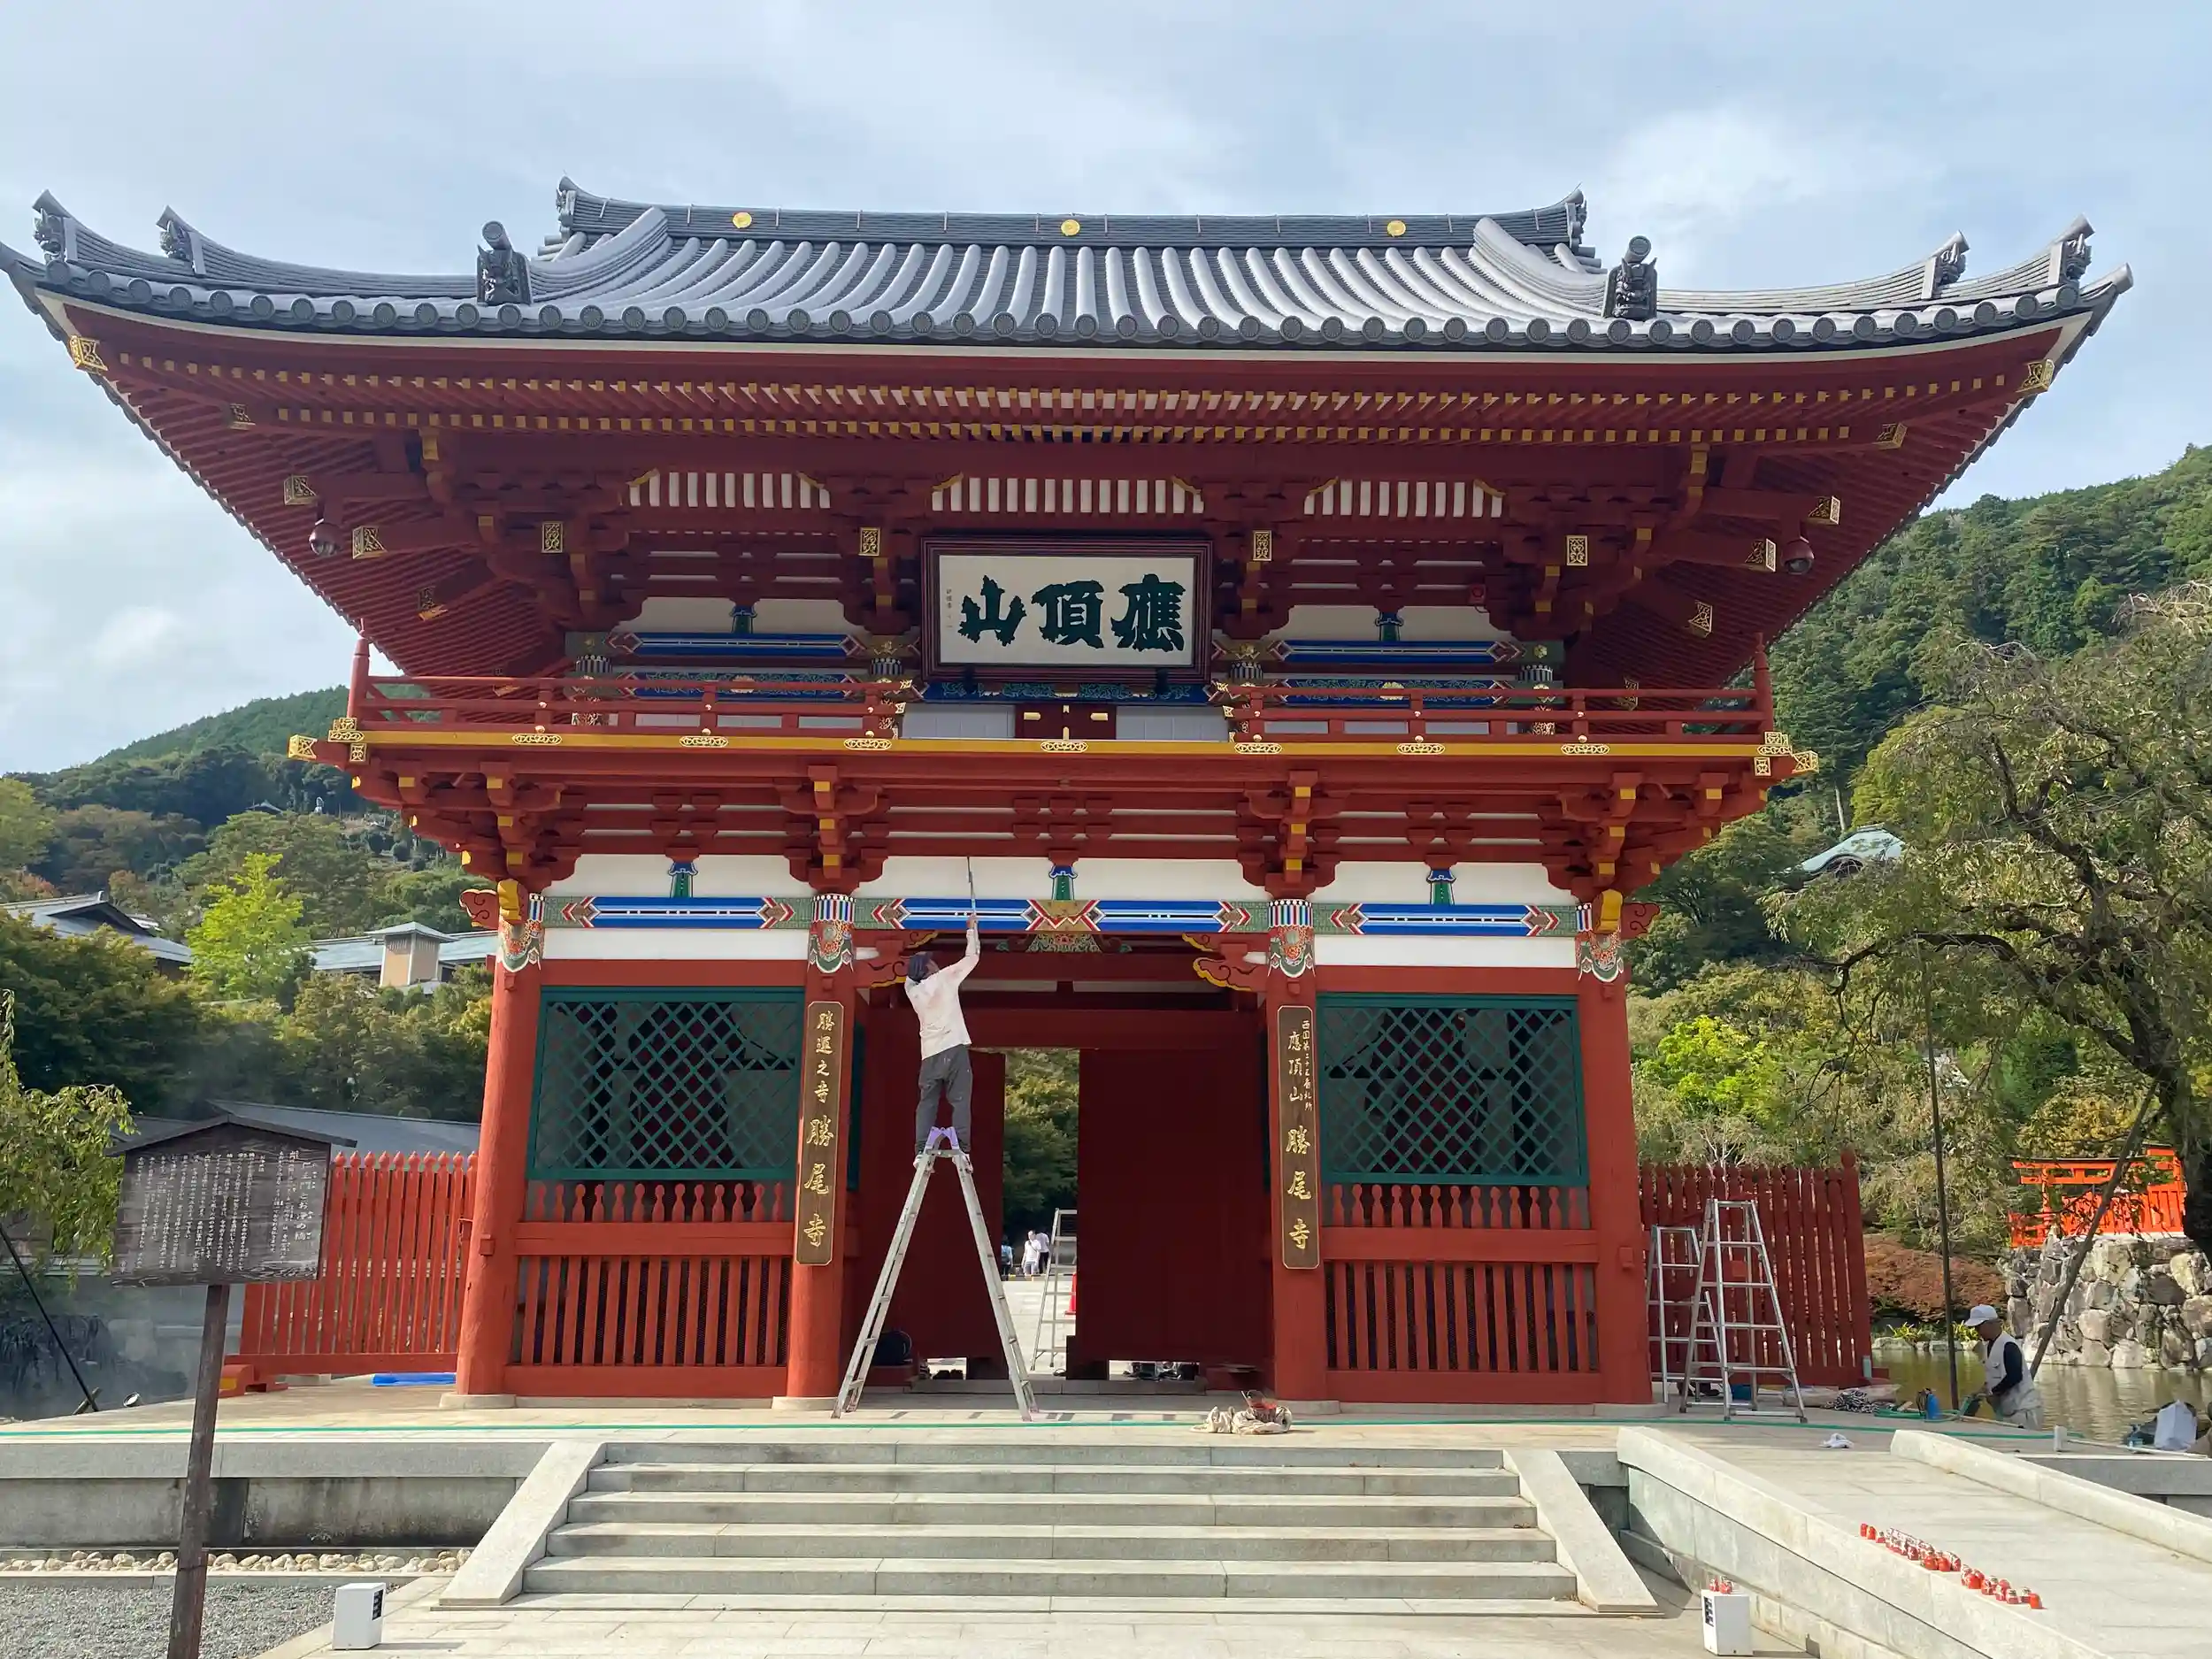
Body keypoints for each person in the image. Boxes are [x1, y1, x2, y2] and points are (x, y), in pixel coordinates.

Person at [905, 914, 981, 1156]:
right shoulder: (944, 979)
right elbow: (972, 957)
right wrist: (971, 929)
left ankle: (920, 1149)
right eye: (930, 962)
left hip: (929, 1055)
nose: (934, 963)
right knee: (960, 1100)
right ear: (928, 968)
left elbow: (910, 978)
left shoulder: (913, 993)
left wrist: (914, 965)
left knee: (927, 1102)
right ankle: (963, 1149)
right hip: (952, 1048)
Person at [1962, 1303, 2046, 1430]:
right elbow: (1994, 1376)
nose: (1976, 1331)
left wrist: (1993, 1392)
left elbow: (2015, 1376)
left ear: (1991, 1324)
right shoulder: (1987, 1346)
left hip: (2023, 1411)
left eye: (1978, 1327)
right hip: (2006, 1411)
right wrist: (1981, 1391)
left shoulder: (2009, 1345)